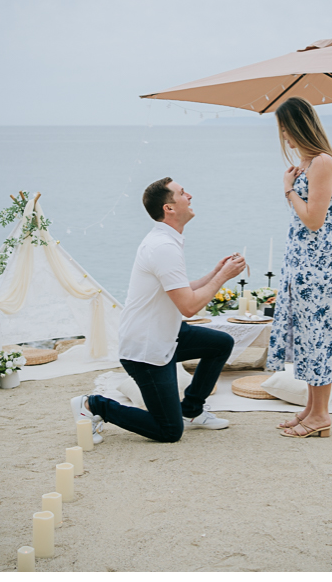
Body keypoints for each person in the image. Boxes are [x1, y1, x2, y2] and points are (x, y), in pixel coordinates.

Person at [71, 178, 246, 443]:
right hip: (146, 348)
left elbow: (179, 288)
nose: (190, 195)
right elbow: (188, 306)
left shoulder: (167, 240)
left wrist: (216, 273)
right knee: (168, 431)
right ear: (169, 208)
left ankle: (192, 411)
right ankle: (93, 405)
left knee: (220, 343)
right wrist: (223, 278)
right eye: (182, 193)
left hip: (168, 334)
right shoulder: (162, 247)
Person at [267, 96, 332, 438]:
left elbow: (313, 220)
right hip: (303, 262)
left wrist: (287, 190)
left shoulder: (323, 162)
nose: (284, 136)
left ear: (298, 125)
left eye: (285, 128)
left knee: (320, 335)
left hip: (319, 264)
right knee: (309, 335)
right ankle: (313, 410)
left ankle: (322, 416)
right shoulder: (308, 163)